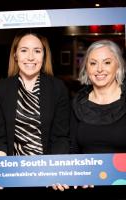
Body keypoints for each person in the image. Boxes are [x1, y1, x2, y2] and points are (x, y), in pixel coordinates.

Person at [0, 30, 70, 192]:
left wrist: (55, 172)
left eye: (37, 51)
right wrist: (1, 172)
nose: (31, 57)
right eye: (24, 50)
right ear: (15, 55)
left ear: (44, 56)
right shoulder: (0, 89)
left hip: (49, 178)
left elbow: (61, 137)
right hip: (12, 177)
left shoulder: (57, 88)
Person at [70, 39, 126, 198]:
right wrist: (79, 174)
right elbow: (72, 150)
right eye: (93, 63)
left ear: (118, 66)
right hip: (85, 185)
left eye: (107, 62)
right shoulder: (76, 103)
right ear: (86, 68)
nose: (99, 69)